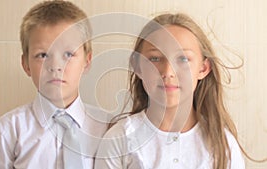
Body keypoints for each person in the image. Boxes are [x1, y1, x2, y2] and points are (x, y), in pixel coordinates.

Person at [95, 13, 245, 169]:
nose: (168, 71)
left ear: (203, 68)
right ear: (138, 66)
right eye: (155, 58)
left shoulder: (224, 146)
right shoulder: (119, 139)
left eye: (183, 59)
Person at [0, 1, 107, 169]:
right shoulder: (7, 131)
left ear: (87, 60)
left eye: (68, 54)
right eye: (42, 55)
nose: (55, 66)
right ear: (26, 64)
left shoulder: (109, 128)